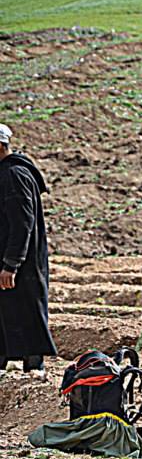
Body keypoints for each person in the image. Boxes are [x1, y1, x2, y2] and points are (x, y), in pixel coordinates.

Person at [0, 123, 57, 375]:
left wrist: (11, 263)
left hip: (22, 262)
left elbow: (23, 222)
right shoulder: (7, 172)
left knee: (28, 312)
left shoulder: (14, 175)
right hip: (12, 258)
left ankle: (34, 368)